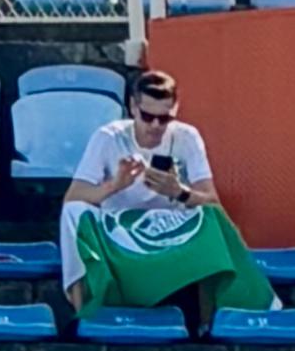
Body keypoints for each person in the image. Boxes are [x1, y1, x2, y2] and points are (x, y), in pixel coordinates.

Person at [58, 63, 269, 322]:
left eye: (165, 119)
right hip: (120, 228)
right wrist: (115, 185)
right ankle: (82, 313)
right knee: (73, 213)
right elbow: (73, 197)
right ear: (133, 108)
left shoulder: (187, 137)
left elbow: (212, 202)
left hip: (170, 228)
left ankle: (207, 321)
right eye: (148, 117)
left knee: (212, 217)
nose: (156, 126)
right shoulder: (109, 137)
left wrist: (180, 192)